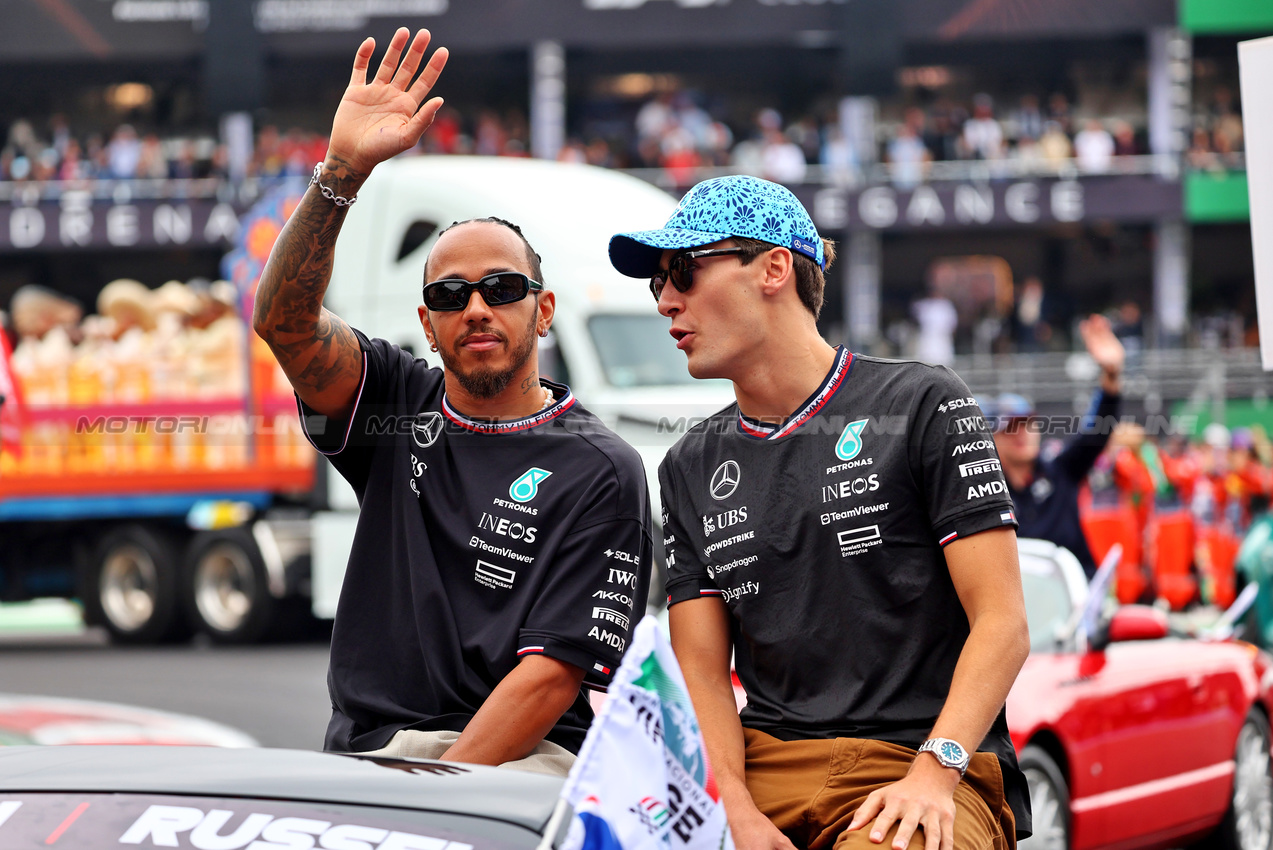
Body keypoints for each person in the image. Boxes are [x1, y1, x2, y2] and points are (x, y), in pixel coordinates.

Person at [253, 28, 652, 775]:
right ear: (427, 326)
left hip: (517, 763)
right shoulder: (395, 404)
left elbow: (549, 679)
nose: (476, 308)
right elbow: (282, 323)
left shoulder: (603, 469)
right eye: (449, 294)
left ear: (544, 310)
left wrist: (440, 795)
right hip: (369, 755)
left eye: (502, 289)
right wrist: (341, 172)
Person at [608, 175, 1031, 850]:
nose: (665, 300)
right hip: (763, 769)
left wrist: (934, 770)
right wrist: (734, 811)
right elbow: (703, 677)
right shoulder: (687, 465)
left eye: (683, 271)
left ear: (773, 267)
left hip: (922, 763)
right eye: (656, 282)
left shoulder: (922, 401)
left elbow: (1003, 623)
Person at [990, 316, 1125, 577]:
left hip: (1077, 601)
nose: (1021, 434)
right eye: (1010, 427)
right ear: (993, 438)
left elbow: (1097, 433)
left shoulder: (1061, 471)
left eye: (1027, 423)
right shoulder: (987, 496)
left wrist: (1112, 373)